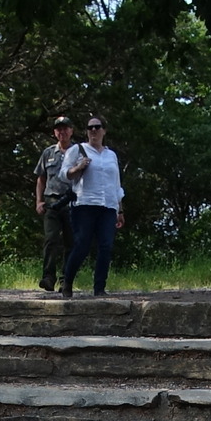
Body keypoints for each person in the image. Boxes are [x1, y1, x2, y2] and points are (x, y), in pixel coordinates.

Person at [58, 116, 124, 298]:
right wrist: (78, 167)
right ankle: (67, 282)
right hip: (84, 204)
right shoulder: (77, 150)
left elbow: (116, 183)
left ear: (104, 130)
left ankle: (99, 288)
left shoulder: (111, 155)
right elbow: (63, 175)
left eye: (97, 127)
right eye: (90, 128)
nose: (93, 131)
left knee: (106, 246)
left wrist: (120, 209)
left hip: (108, 206)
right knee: (82, 245)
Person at [29, 116, 78, 292]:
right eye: (58, 129)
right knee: (51, 240)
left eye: (65, 128)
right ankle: (48, 277)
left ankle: (66, 279)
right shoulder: (48, 153)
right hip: (52, 201)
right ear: (54, 132)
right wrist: (39, 201)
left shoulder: (79, 152)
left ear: (71, 130)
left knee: (71, 242)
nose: (62, 132)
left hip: (73, 201)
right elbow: (41, 179)